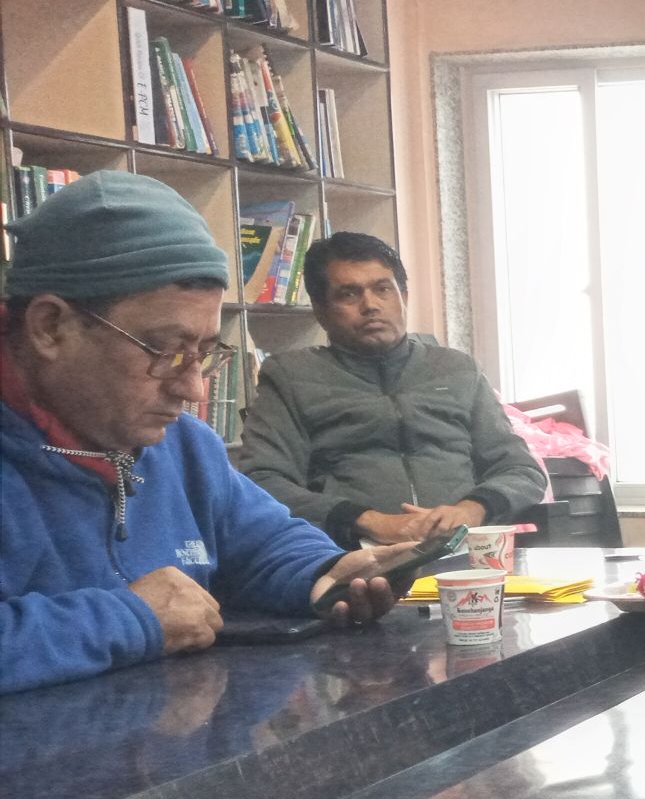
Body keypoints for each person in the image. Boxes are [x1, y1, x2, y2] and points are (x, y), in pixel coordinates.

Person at [1, 173, 406, 695]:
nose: (193, 388)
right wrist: (130, 619)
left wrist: (327, 573)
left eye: (205, 353)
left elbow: (263, 542)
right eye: (166, 350)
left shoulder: (184, 446)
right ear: (50, 327)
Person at [236, 232, 546, 547]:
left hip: (464, 550)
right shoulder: (291, 377)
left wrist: (472, 509)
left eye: (382, 289)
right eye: (348, 294)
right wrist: (367, 521)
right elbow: (262, 480)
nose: (370, 305)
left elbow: (520, 468)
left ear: (404, 297)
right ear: (321, 310)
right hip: (353, 554)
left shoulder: (457, 369)